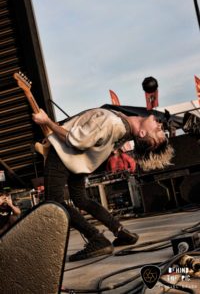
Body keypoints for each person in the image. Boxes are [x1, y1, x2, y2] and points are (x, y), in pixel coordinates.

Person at [32, 107, 174, 261]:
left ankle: (96, 238)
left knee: (54, 202)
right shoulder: (124, 126)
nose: (160, 126)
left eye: (158, 131)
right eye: (160, 129)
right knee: (81, 199)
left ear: (142, 133)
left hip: (62, 155)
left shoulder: (112, 123)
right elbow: (124, 120)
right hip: (79, 162)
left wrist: (47, 121)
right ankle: (120, 231)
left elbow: (75, 140)